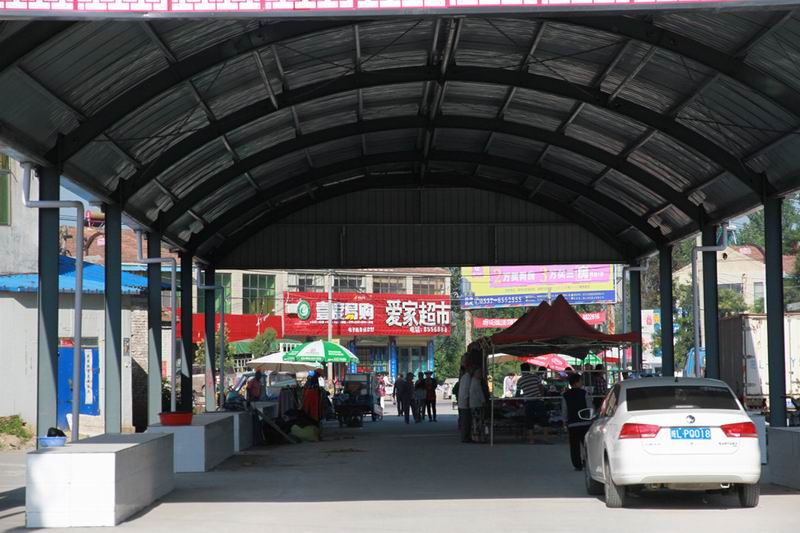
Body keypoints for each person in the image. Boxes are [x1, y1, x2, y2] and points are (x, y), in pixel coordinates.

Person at [561, 373, 593, 470]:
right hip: (585, 423)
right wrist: (591, 418)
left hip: (572, 423)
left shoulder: (565, 395)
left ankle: (577, 465)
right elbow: (590, 407)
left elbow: (564, 410)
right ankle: (589, 462)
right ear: (577, 382)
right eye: (580, 381)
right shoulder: (584, 393)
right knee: (587, 445)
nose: (582, 382)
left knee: (574, 446)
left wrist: (564, 421)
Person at [516, 362, 548, 444]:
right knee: (544, 419)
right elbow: (541, 388)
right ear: (529, 369)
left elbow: (517, 394)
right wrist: (541, 397)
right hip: (538, 400)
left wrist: (524, 395)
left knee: (529, 420)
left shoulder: (520, 380)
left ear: (521, 370)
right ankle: (546, 439)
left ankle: (531, 440)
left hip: (528, 402)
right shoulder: (535, 377)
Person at [469, 368, 487, 442]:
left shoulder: (473, 381)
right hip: (477, 404)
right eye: (479, 373)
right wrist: (483, 401)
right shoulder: (476, 382)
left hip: (473, 404)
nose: (480, 374)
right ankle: (478, 437)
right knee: (478, 421)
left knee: (475, 421)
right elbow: (480, 393)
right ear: (475, 374)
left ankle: (475, 437)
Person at [457, 365, 472, 443]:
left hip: (462, 402)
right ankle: (465, 437)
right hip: (465, 403)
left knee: (464, 421)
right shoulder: (467, 378)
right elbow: (466, 391)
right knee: (466, 421)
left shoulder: (464, 378)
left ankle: (465, 436)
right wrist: (467, 401)